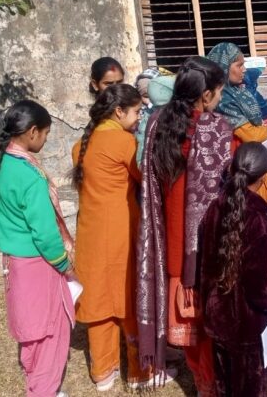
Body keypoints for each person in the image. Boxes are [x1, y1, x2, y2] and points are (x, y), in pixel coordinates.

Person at [136, 56, 232, 396]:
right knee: (210, 324)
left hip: (172, 241)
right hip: (206, 244)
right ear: (206, 95)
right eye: (219, 92)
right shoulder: (214, 129)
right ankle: (215, 385)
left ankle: (204, 385)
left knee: (191, 328)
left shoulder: (157, 123)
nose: (221, 98)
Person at [72, 84, 174, 391]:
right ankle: (141, 370)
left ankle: (103, 370)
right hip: (118, 230)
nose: (140, 117)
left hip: (90, 230)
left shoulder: (81, 144)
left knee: (100, 300)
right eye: (137, 112)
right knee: (129, 295)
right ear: (119, 112)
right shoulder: (123, 142)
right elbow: (147, 175)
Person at [0, 100, 74, 397]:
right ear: (33, 132)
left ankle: (37, 384)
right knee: (49, 331)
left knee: (30, 331)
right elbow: (45, 234)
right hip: (38, 265)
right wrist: (64, 264)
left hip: (14, 264)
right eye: (46, 134)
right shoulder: (30, 176)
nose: (45, 140)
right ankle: (43, 390)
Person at [200, 142, 267, 396]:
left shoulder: (214, 209)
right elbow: (260, 286)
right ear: (263, 178)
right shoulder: (257, 220)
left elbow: (204, 266)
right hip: (247, 328)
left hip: (217, 318)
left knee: (225, 387)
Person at [207, 42, 267, 205]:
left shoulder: (238, 92)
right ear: (223, 67)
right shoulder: (223, 98)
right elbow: (250, 135)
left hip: (259, 159)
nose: (244, 70)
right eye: (239, 65)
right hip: (246, 166)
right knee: (253, 208)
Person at [134, 70, 175, 160]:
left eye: (152, 96)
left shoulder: (172, 110)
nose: (150, 101)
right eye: (145, 96)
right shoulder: (138, 111)